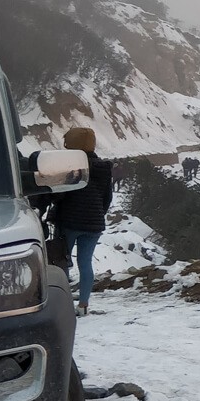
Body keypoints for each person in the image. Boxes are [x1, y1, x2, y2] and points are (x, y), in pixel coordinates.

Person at [43, 128, 113, 315]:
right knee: (85, 262)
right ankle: (83, 304)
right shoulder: (104, 168)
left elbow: (60, 194)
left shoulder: (71, 167)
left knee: (61, 261)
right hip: (94, 223)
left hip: (69, 221)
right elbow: (107, 198)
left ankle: (64, 304)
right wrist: (97, 214)